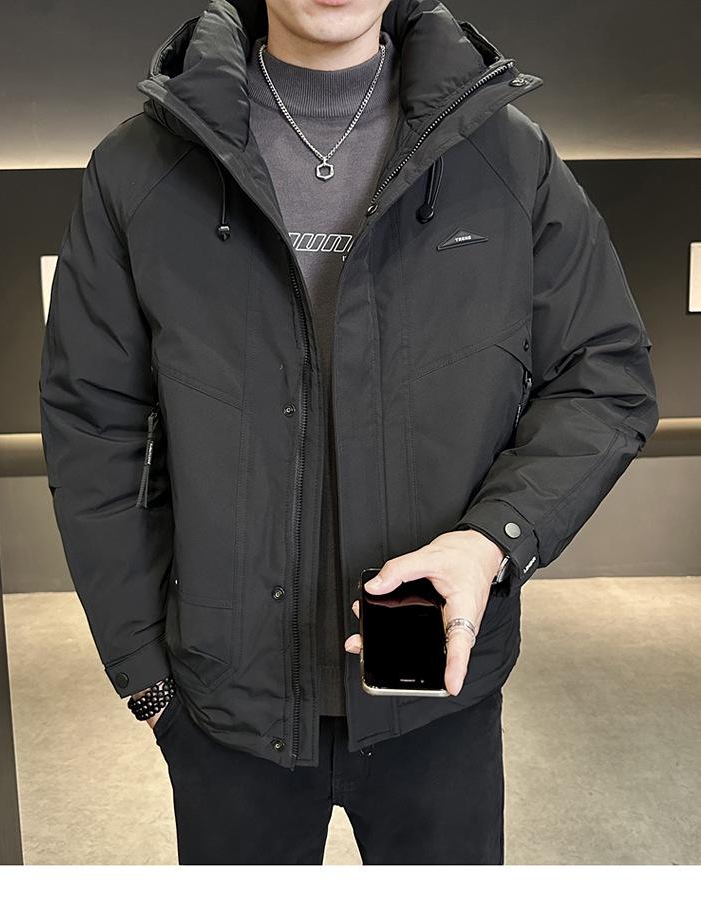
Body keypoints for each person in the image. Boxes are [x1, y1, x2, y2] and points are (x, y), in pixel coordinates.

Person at [39, 0, 659, 865]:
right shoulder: (138, 170)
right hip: (225, 713)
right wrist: (144, 675)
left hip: (440, 698)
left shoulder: (509, 157)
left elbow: (607, 374)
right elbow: (92, 424)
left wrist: (494, 540)